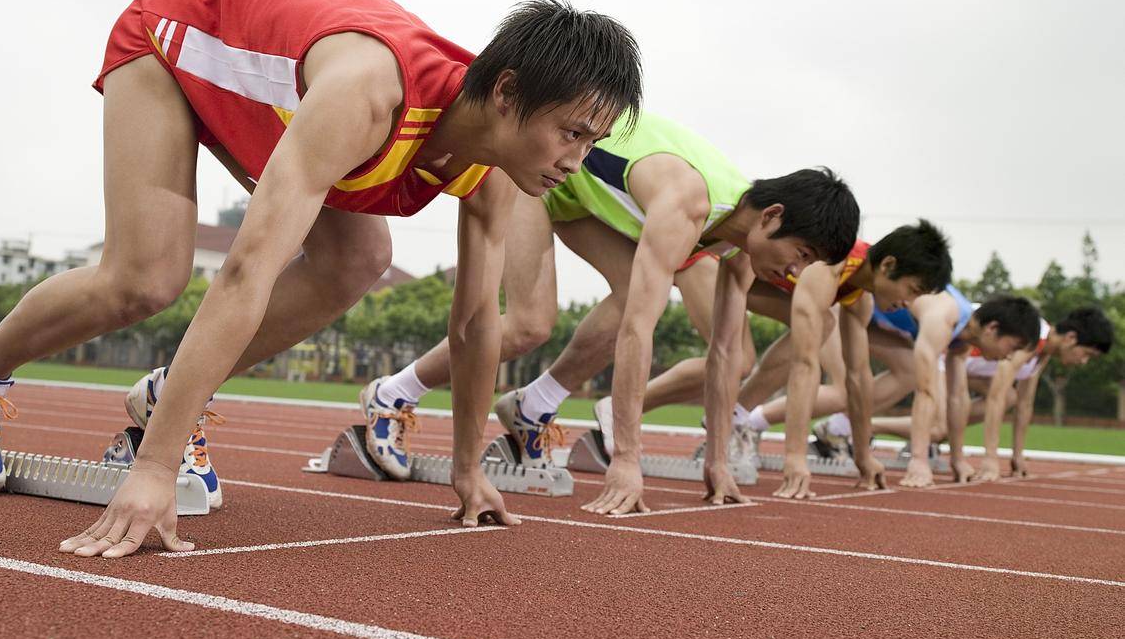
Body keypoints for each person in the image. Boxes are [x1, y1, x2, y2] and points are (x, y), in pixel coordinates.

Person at [0, 0, 642, 558]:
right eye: (570, 134)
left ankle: (164, 396)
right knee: (145, 280)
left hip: (278, 98)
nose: (576, 162)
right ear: (509, 93)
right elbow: (247, 269)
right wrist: (155, 466)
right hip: (176, 40)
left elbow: (475, 324)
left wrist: (466, 470)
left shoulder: (489, 167)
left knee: (358, 257)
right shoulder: (369, 97)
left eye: (591, 141)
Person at [359, 110, 860, 514]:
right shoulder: (688, 202)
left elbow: (725, 352)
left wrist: (718, 461)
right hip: (539, 170)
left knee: (633, 297)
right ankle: (391, 393)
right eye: (802, 254)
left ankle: (534, 405)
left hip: (581, 198)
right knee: (532, 322)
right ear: (772, 217)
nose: (796, 272)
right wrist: (626, 458)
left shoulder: (739, 243)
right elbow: (640, 333)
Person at [634, 221, 953, 499]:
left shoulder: (858, 296)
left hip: (748, 278)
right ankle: (624, 411)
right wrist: (795, 456)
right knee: (740, 360)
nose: (908, 303)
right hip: (709, 262)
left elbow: (859, 378)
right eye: (911, 290)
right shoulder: (829, 266)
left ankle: (732, 418)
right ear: (888, 265)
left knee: (821, 325)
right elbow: (805, 364)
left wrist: (864, 456)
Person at [872, 306, 1114, 481]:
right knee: (940, 428)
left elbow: (1024, 405)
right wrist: (990, 458)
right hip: (943, 355)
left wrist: (1017, 456)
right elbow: (995, 395)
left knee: (1011, 397)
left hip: (961, 368)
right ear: (1071, 338)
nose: (1083, 362)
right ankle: (863, 427)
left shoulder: (1042, 355)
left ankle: (927, 434)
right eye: (1087, 355)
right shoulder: (1030, 337)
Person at [862, 293, 1041, 487]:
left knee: (909, 377)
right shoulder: (945, 317)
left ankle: (844, 427)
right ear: (992, 328)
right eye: (1012, 347)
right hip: (849, 306)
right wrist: (919, 460)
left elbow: (957, 397)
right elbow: (924, 391)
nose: (1009, 357)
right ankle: (843, 427)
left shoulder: (962, 340)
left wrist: (958, 459)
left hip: (870, 321)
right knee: (845, 393)